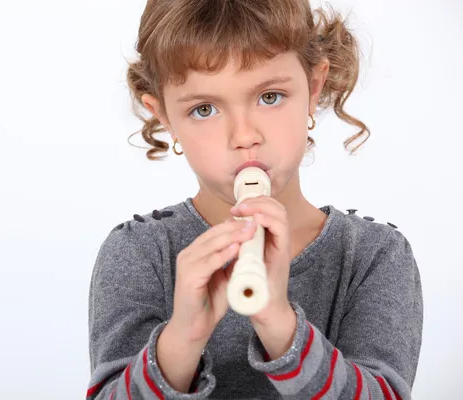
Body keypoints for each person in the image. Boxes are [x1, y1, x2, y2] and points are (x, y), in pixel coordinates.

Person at [86, 0, 423, 398]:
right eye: (204, 109)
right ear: (164, 117)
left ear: (314, 88)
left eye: (270, 97)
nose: (243, 136)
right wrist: (181, 342)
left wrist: (282, 330)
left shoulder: (374, 255)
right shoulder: (137, 252)